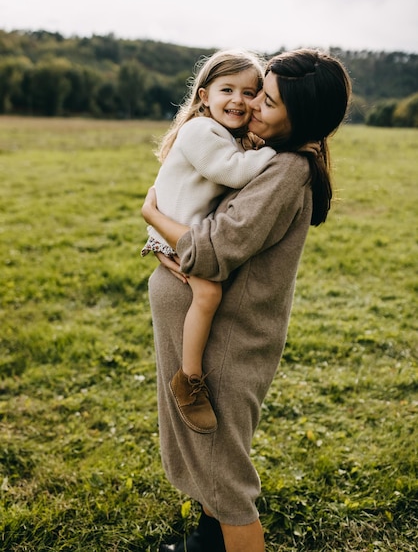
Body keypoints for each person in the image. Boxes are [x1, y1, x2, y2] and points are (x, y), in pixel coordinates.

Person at [141, 48, 352, 552]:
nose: (253, 104)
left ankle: (229, 538)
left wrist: (154, 216)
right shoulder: (266, 155)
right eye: (258, 91)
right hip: (207, 329)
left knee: (224, 474)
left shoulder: (285, 172)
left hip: (228, 342)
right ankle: (207, 543)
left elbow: (212, 252)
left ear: (298, 118)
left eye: (267, 100)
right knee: (209, 461)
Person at [141, 49, 277, 434]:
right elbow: (232, 173)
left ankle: (190, 374)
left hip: (179, 230)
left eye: (250, 92)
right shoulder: (201, 131)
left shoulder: (222, 132)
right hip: (175, 234)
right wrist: (278, 152)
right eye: (227, 89)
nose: (238, 99)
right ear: (204, 96)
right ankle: (190, 379)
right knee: (209, 294)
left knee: (211, 293)